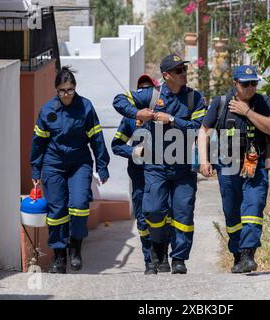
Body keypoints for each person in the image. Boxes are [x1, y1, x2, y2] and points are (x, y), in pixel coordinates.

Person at [113, 54, 206, 274]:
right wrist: (137, 112)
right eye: (179, 71)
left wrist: (172, 120)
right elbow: (118, 100)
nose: (184, 74)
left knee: (183, 214)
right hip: (155, 168)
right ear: (166, 76)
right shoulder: (151, 96)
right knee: (153, 211)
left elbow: (199, 127)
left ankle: (179, 259)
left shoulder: (195, 98)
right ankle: (159, 250)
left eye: (184, 70)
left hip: (183, 168)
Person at [198, 65, 270, 273]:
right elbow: (204, 131)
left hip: (255, 162)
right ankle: (237, 254)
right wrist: (204, 160)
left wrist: (248, 112)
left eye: (254, 83)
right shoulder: (220, 103)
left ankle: (248, 254)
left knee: (254, 206)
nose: (250, 88)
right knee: (232, 211)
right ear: (235, 84)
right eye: (245, 84)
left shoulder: (263, 102)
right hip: (227, 162)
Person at [30, 66, 110, 274]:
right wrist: (35, 171)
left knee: (79, 204)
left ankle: (75, 248)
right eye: (62, 91)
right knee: (56, 211)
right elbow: (38, 143)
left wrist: (102, 166)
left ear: (75, 88)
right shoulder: (48, 111)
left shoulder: (85, 107)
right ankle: (59, 256)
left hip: (79, 163)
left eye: (70, 90)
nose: (66, 95)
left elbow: (97, 138)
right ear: (56, 90)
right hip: (53, 164)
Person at [111, 74, 171, 275]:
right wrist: (133, 151)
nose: (143, 93)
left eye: (148, 89)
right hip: (139, 176)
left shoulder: (163, 114)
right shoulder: (130, 118)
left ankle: (162, 256)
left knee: (165, 215)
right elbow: (116, 145)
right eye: (140, 89)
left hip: (163, 174)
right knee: (144, 218)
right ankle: (149, 261)